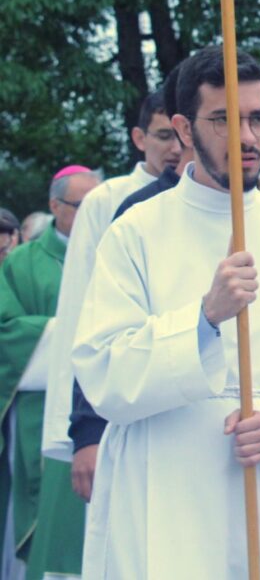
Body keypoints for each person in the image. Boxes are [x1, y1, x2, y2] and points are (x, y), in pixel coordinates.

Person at [71, 46, 260, 578]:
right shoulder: (136, 231)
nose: (248, 138)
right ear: (184, 129)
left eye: (258, 118)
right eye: (224, 120)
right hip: (167, 484)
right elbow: (101, 367)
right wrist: (204, 319)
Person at [36, 91, 180, 579]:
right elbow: (82, 311)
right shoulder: (107, 201)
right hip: (117, 397)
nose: (175, 148)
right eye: (163, 136)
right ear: (140, 138)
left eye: (179, 135)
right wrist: (78, 432)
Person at [0, 166, 100, 576]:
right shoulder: (22, 262)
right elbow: (7, 331)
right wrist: (75, 333)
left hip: (100, 406)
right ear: (55, 205)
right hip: (40, 411)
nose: (93, 214)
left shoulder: (112, 251)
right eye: (82, 206)